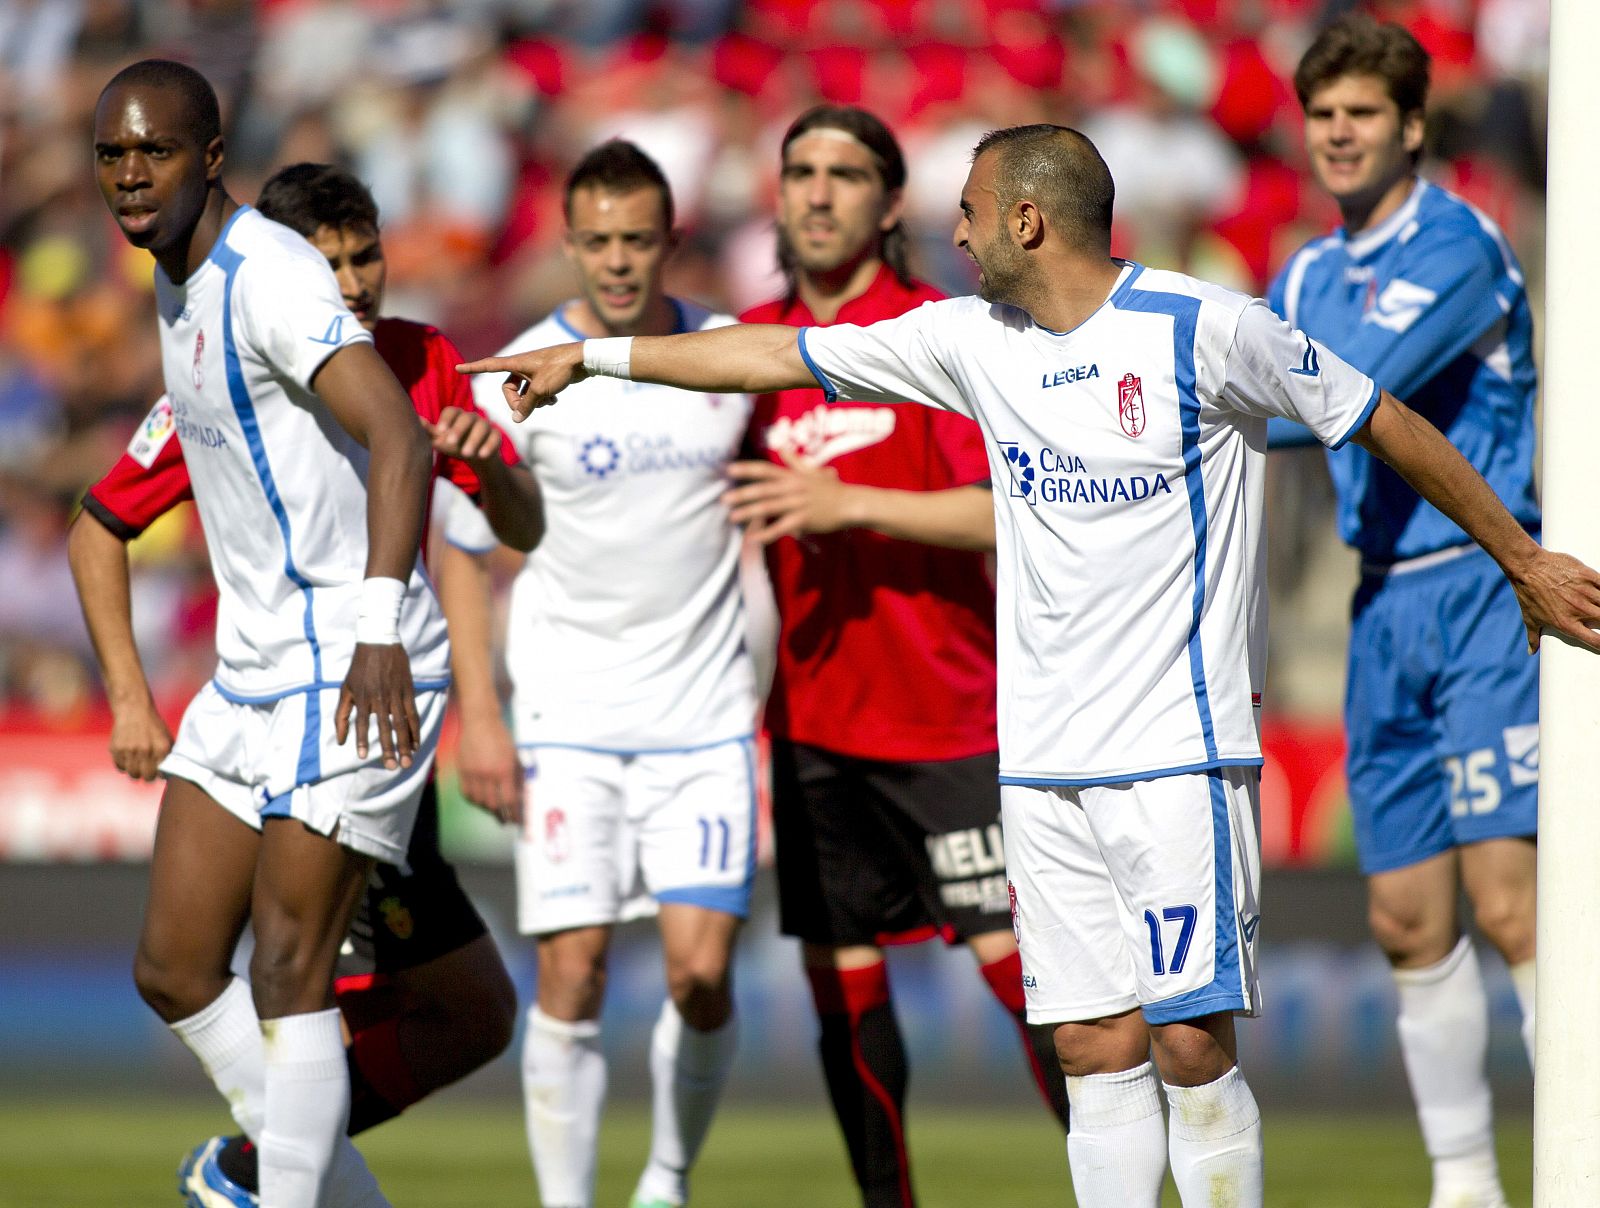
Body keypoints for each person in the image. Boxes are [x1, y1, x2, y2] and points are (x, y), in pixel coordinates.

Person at [461, 124, 1600, 1208]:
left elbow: (1379, 416)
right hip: (1041, 766)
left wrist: (1521, 560)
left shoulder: (1206, 330)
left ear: (1026, 220)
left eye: (966, 215)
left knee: (1189, 1038)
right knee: (1090, 1044)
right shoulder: (970, 340)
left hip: (1177, 754)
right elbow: (773, 351)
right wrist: (592, 358)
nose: (951, 238)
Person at [70, 160, 536, 1206]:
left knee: (441, 1006)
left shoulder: (421, 361)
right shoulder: (232, 347)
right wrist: (133, 696)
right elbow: (97, 525)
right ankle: (275, 1171)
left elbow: (521, 526)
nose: (356, 283)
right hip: (269, 693)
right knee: (234, 973)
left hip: (370, 698)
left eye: (367, 256)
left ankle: (265, 1171)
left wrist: (495, 466)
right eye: (330, 265)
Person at [723, 104, 1066, 1208]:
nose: (818, 192)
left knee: (1043, 1002)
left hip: (951, 725)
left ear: (887, 204)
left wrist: (844, 499)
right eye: (800, 171)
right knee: (848, 1009)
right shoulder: (754, 347)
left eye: (845, 173)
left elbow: (1005, 514)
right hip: (814, 733)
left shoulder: (937, 334)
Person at [1268, 17, 1541, 1208]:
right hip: (1381, 603)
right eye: (1322, 114)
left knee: (1508, 899)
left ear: (1412, 126)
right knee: (1402, 912)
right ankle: (1464, 1182)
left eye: (1361, 113)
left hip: (1481, 588)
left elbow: (1324, 395)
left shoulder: (1457, 244)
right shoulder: (1302, 273)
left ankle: (1577, 1156)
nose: (1337, 134)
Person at [456, 140, 757, 1208]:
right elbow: (461, 539)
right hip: (570, 717)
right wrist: (478, 714)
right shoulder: (517, 369)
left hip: (705, 712)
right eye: (599, 241)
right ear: (569, 242)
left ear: (671, 239)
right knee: (573, 971)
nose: (619, 261)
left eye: (639, 239)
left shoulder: (728, 355)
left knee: (701, 973)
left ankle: (667, 1176)